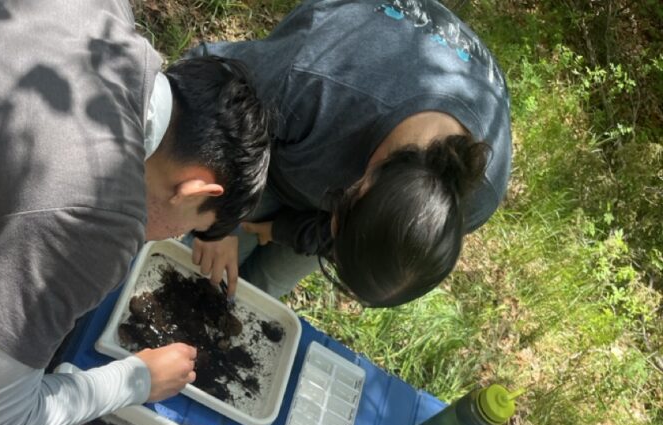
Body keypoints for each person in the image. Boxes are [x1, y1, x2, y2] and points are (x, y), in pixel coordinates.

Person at [0, 0, 271, 425]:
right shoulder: (97, 211)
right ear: (194, 191)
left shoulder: (104, 12)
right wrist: (133, 381)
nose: (167, 237)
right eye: (182, 228)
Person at [189, 0, 512, 306]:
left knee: (262, 289)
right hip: (272, 149)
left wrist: (280, 231)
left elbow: (344, 241)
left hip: (334, 175)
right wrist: (219, 224)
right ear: (357, 185)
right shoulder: (315, 81)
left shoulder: (475, 195)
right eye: (336, 232)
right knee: (200, 263)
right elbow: (207, 77)